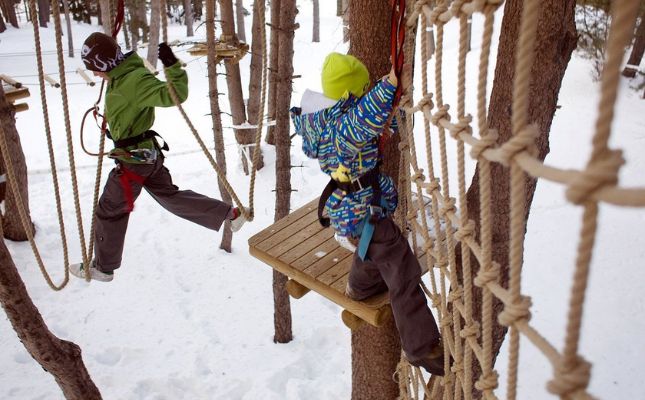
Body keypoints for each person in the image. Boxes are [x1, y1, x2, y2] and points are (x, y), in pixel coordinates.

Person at [290, 52, 444, 375]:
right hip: (360, 210)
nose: (362, 100)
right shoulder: (343, 127)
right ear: (349, 96)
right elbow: (363, 118)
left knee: (375, 251)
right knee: (401, 265)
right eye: (359, 94)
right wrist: (389, 83)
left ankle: (360, 287)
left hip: (357, 210)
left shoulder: (327, 120)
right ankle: (421, 346)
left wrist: (388, 103)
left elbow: (364, 122)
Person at [70, 32, 248, 283]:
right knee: (170, 197)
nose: (95, 74)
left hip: (135, 161)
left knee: (109, 210)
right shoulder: (118, 78)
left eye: (95, 68)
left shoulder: (133, 80)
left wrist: (172, 66)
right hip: (146, 156)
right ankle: (230, 215)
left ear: (104, 63)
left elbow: (174, 95)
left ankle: (103, 267)